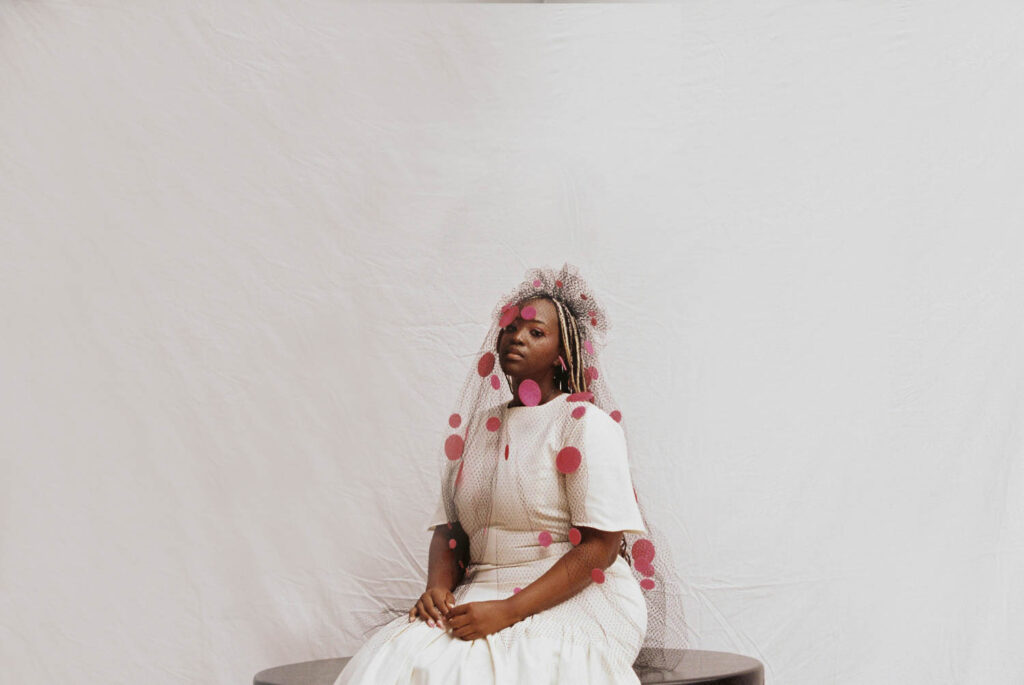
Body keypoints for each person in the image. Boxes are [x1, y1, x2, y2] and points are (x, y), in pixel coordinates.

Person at [334, 263, 687, 685]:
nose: (517, 337)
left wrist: (510, 611)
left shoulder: (585, 424)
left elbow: (600, 548)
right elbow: (450, 532)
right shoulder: (477, 432)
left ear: (563, 354)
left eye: (536, 332)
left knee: (519, 666)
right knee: (399, 660)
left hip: (580, 594)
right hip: (484, 591)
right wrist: (438, 589)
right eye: (510, 329)